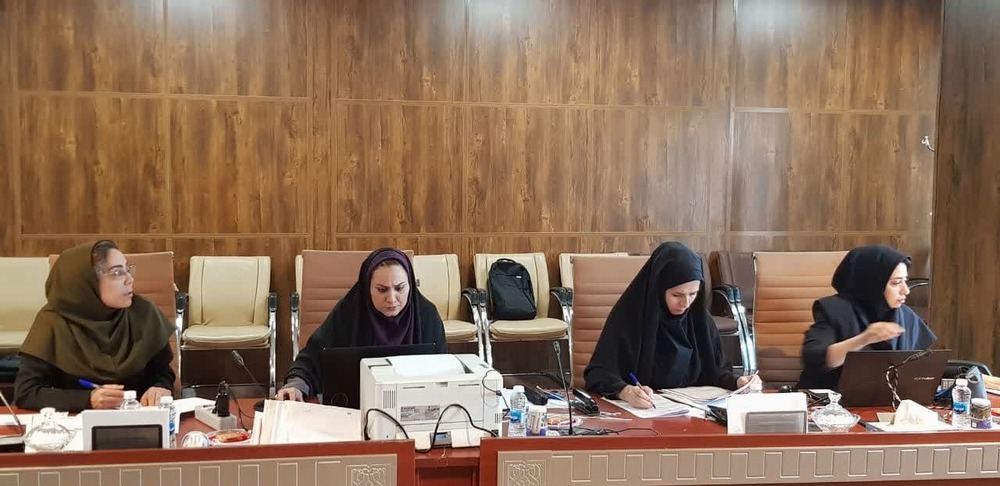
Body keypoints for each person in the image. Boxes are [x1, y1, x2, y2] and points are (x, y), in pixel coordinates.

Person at [584, 242, 759, 409]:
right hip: (643, 414)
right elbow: (598, 373)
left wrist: (738, 381)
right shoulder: (630, 316)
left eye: (693, 294)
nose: (686, 303)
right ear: (659, 288)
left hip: (693, 413)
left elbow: (715, 371)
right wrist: (626, 391)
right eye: (677, 295)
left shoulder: (698, 317)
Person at [14, 241, 176, 412]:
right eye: (117, 273)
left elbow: (162, 373)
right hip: (75, 423)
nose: (130, 279)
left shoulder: (143, 313)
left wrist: (160, 388)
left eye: (128, 269)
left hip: (140, 419)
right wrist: (88, 399)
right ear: (87, 281)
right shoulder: (53, 321)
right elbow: (26, 392)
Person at [275, 248, 447, 401]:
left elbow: (445, 372)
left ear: (410, 284)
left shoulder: (427, 316)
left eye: (399, 288)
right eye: (382, 290)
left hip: (415, 411)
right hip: (353, 411)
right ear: (367, 288)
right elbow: (312, 359)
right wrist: (296, 385)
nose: (391, 298)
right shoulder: (348, 313)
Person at [798, 245, 936, 390]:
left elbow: (918, 367)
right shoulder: (833, 309)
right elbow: (815, 358)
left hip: (888, 398)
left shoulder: (906, 315)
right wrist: (864, 338)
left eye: (905, 281)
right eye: (896, 283)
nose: (906, 290)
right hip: (833, 398)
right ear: (872, 283)